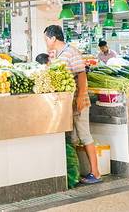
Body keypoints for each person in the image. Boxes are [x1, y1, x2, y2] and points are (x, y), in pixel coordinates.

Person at [44, 25, 100, 184]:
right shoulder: (56, 54)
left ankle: (96, 173)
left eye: (46, 39)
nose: (46, 42)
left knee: (84, 135)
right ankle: (76, 173)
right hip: (67, 105)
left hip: (79, 102)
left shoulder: (71, 52)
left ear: (53, 38)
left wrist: (81, 96)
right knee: (73, 138)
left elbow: (81, 74)